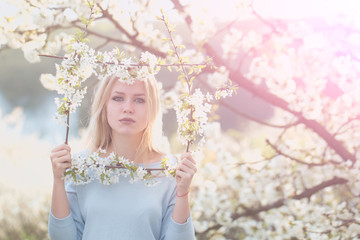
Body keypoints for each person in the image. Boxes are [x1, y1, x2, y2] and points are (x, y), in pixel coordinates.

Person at [48, 75, 197, 240]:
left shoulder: (169, 170)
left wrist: (183, 191)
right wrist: (58, 180)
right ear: (104, 106)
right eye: (118, 98)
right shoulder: (81, 166)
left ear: (153, 108)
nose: (128, 108)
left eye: (139, 100)